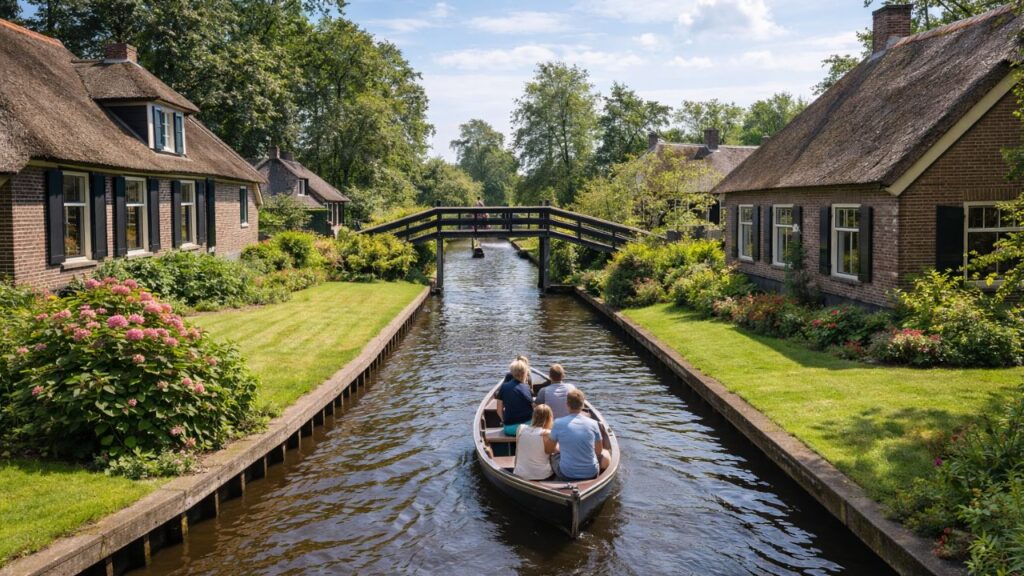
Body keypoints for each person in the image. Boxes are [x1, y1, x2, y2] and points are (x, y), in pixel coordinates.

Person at [545, 389, 611, 481]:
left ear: (567, 404)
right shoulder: (594, 423)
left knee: (553, 455)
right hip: (591, 473)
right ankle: (600, 477)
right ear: (583, 405)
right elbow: (598, 451)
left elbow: (548, 450)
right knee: (606, 453)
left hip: (566, 474)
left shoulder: (558, 423)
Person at [513, 404, 554, 480]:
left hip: (520, 474)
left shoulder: (520, 428)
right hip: (542, 476)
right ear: (549, 418)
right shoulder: (548, 434)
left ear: (534, 416)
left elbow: (517, 451)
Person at [495, 360, 533, 436]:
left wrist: (504, 421)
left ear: (512, 373)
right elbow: (533, 407)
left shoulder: (504, 387)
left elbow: (498, 410)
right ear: (525, 373)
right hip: (527, 428)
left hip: (510, 429)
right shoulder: (526, 387)